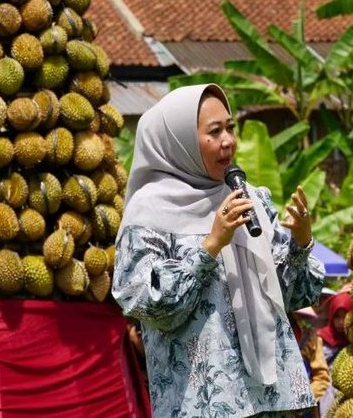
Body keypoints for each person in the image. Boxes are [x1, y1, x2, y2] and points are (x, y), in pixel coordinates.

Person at [112, 84, 325, 417]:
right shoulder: (148, 215)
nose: (228, 141)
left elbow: (293, 295)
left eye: (230, 128)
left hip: (275, 399)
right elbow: (148, 306)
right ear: (178, 141)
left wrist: (299, 244)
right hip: (205, 405)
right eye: (214, 132)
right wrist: (210, 246)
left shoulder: (249, 197)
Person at [317, 291, 353, 416]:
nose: (341, 321)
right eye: (337, 316)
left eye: (344, 316)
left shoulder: (350, 343)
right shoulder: (321, 339)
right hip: (327, 392)